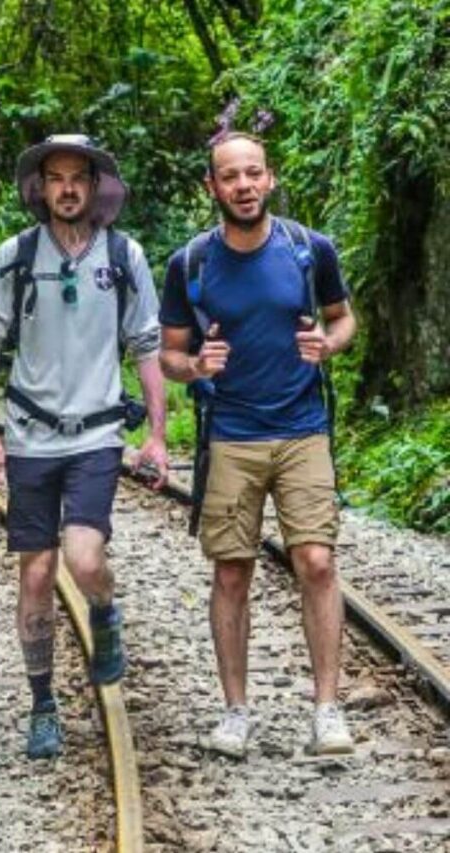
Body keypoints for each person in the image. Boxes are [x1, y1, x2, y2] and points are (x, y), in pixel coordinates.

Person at [0, 134, 168, 760]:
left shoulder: (124, 256)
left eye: (77, 176)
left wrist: (158, 434)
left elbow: (147, 345)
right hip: (30, 434)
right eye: (55, 178)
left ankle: (104, 609)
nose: (67, 188)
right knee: (35, 571)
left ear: (96, 185)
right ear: (40, 188)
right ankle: (43, 704)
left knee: (84, 560)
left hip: (96, 435)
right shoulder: (16, 255)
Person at [158, 132, 358, 757]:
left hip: (303, 428)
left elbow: (344, 317)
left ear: (270, 179)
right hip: (231, 436)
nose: (243, 186)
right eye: (230, 177)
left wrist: (330, 345)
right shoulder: (189, 263)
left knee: (318, 563)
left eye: (253, 174)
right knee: (231, 572)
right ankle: (235, 711)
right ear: (211, 188)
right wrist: (195, 367)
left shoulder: (308, 249)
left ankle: (327, 709)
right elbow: (168, 354)